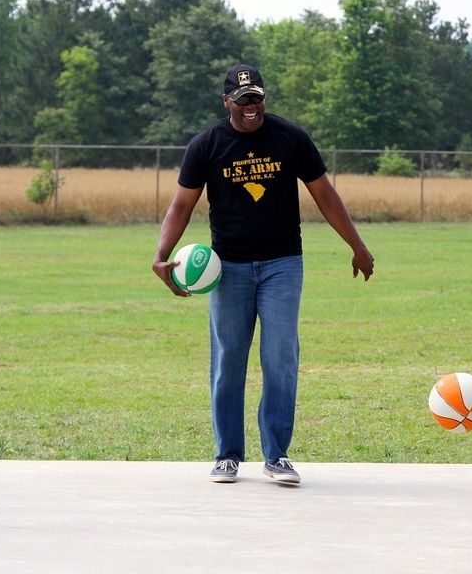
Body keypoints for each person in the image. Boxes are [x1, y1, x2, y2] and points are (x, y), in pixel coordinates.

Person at [152, 64, 374, 485]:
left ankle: (277, 455)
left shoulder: (290, 138)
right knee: (228, 360)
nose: (251, 106)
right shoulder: (206, 145)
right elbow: (181, 206)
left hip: (282, 264)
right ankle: (227, 454)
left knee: (280, 358)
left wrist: (357, 245)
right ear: (226, 102)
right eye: (242, 100)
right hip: (228, 267)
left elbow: (324, 194)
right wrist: (160, 256)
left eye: (257, 98)